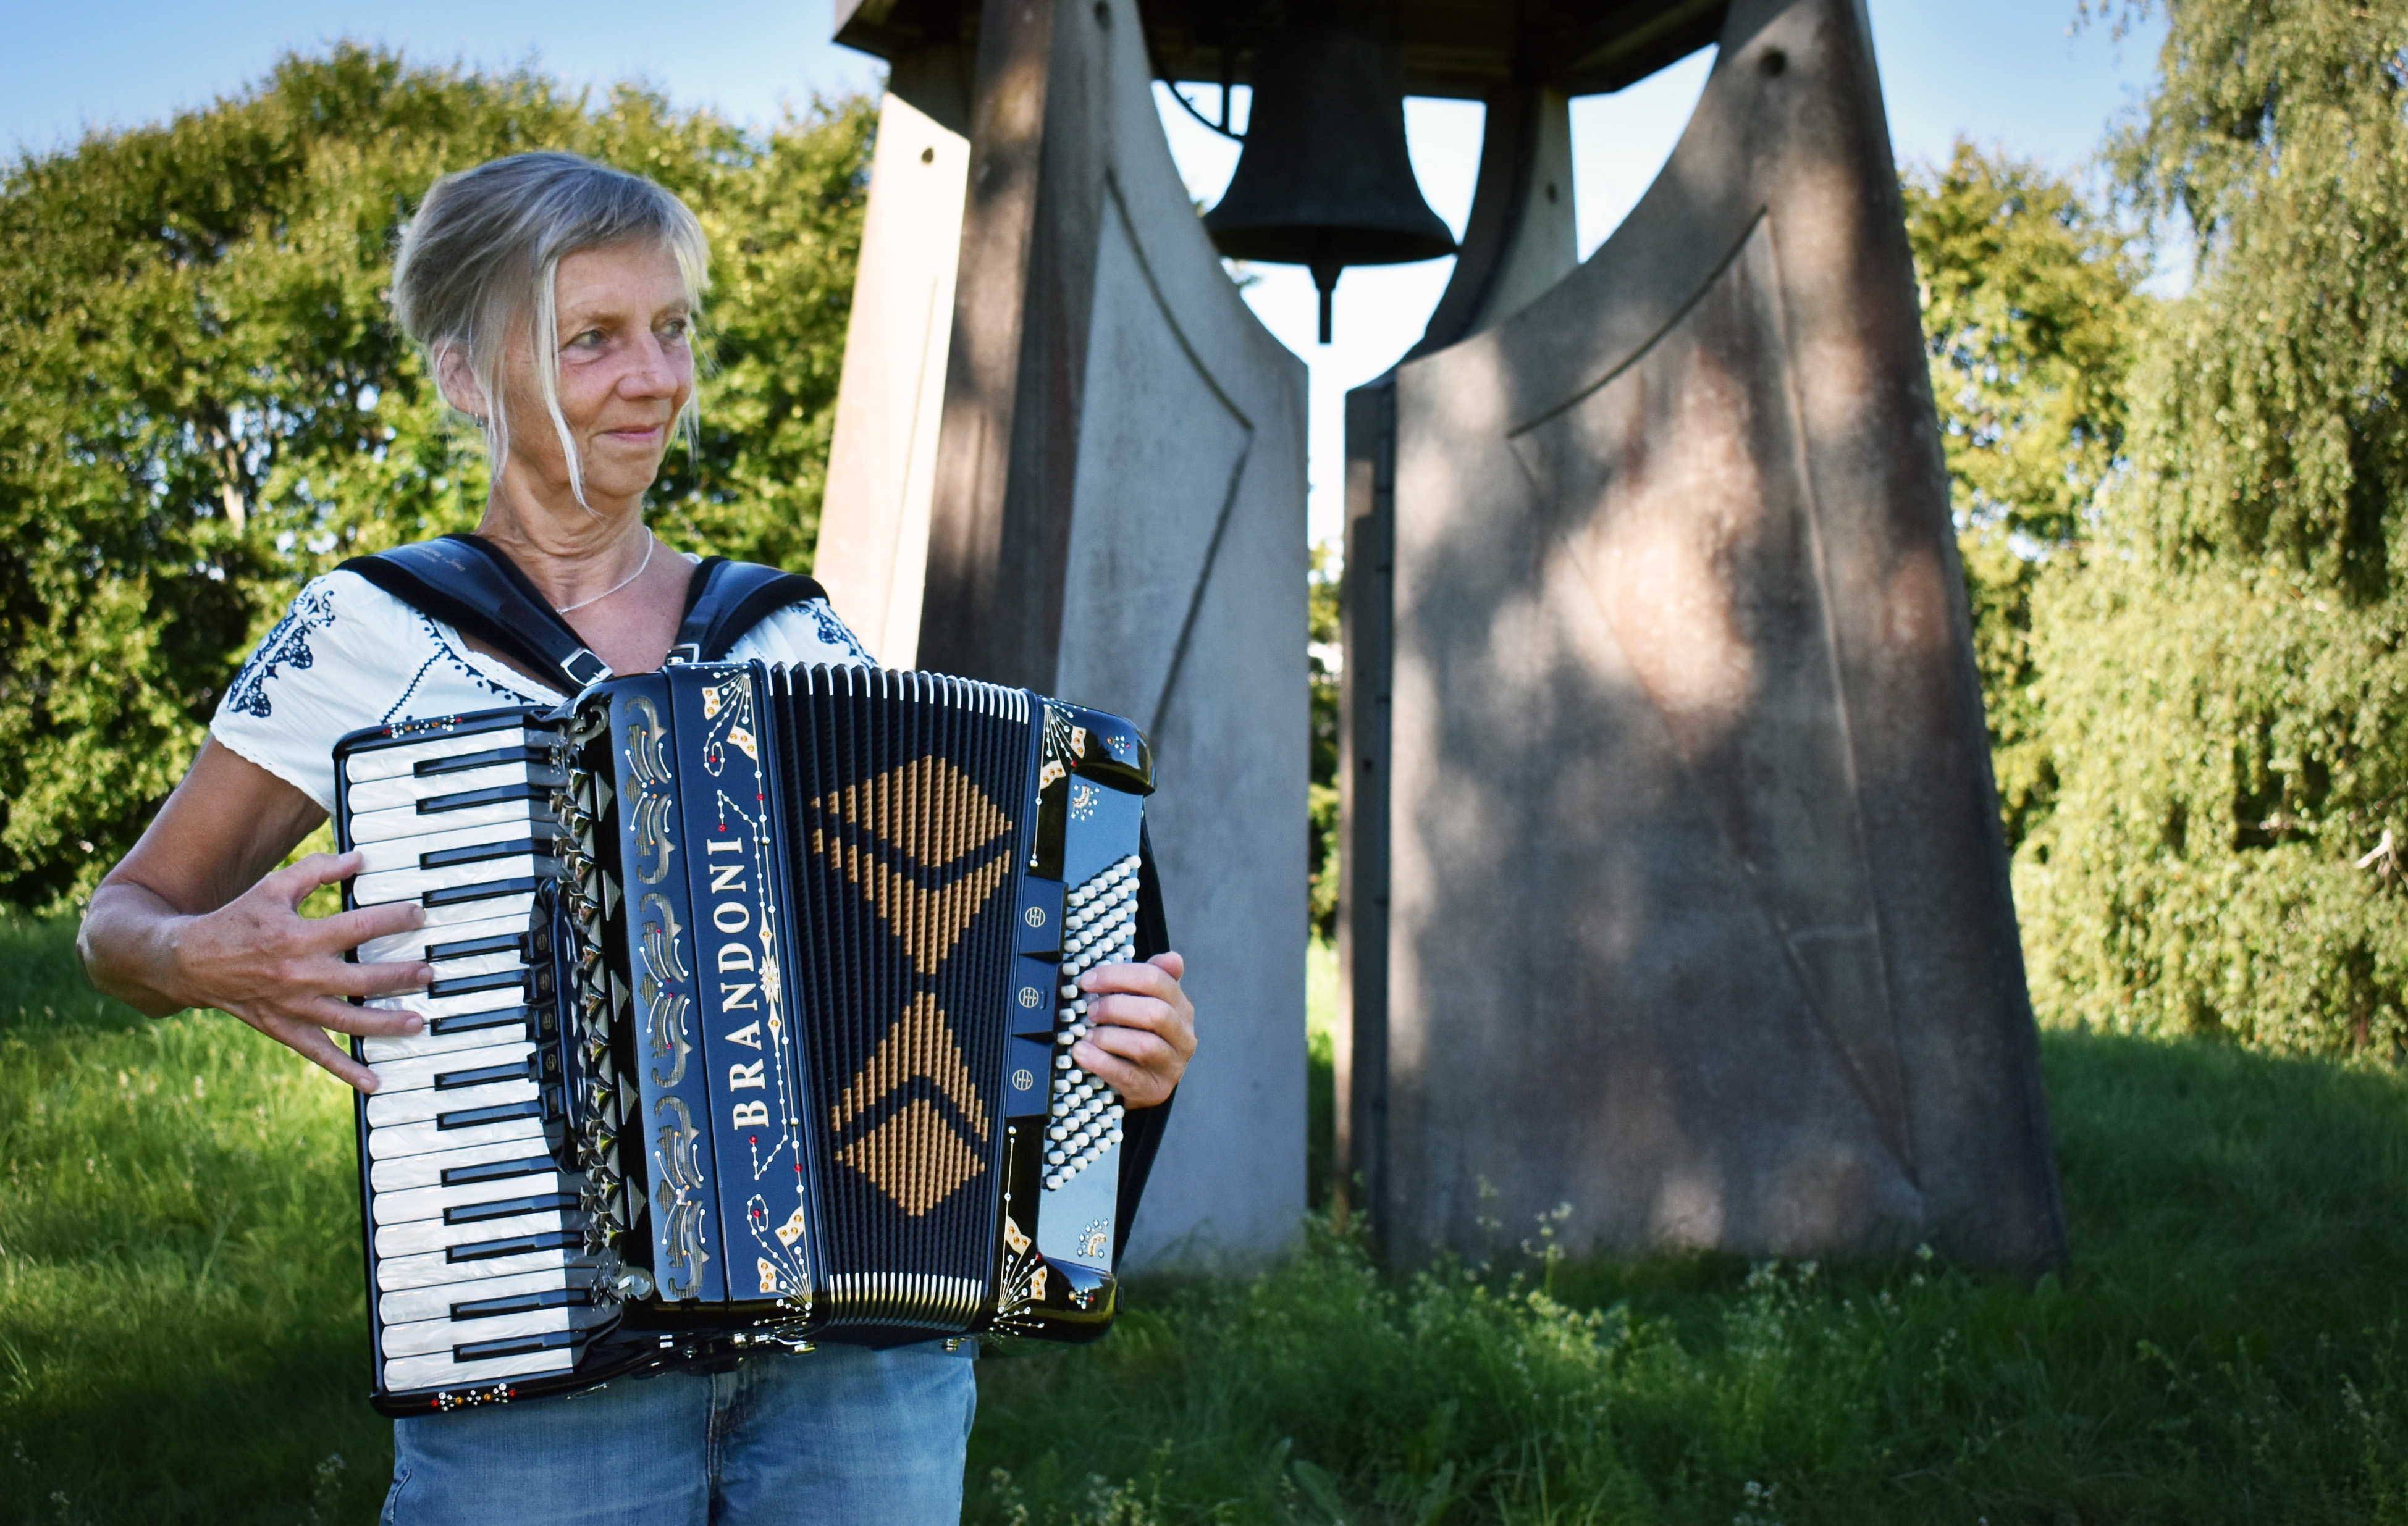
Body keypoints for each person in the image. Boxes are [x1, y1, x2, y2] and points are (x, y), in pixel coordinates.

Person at [75, 151, 1197, 1525]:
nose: (656, 378)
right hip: (537, 1357)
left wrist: (1106, 1053)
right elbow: (122, 920)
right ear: (465, 377)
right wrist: (200, 957)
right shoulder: (365, 636)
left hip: (861, 1370)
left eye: (671, 329)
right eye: (592, 339)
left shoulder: (787, 634)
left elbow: (949, 958)